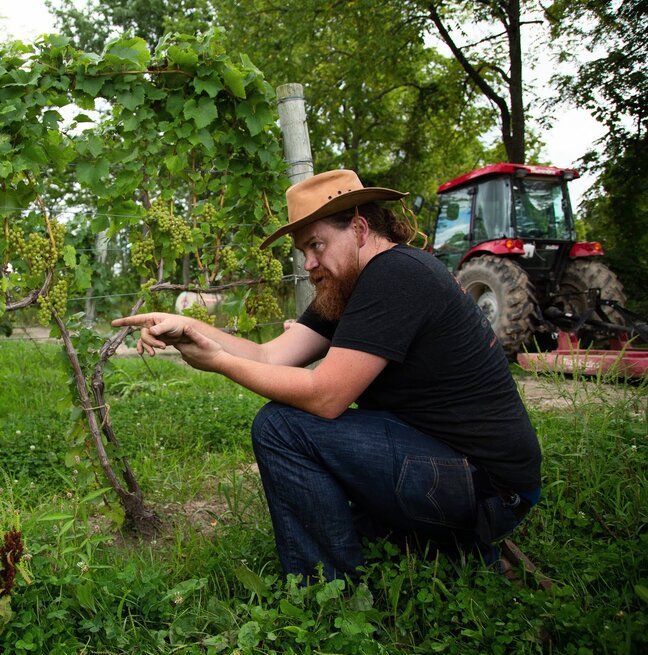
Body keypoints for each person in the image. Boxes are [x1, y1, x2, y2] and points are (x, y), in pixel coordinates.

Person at [113, 169, 541, 582]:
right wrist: (186, 325)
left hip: (488, 486)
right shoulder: (346, 287)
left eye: (317, 245)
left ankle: (324, 591)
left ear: (358, 228)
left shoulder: (397, 275)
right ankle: (456, 546)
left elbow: (325, 396)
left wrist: (219, 362)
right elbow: (270, 354)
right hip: (453, 467)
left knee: (282, 427)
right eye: (303, 252)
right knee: (345, 513)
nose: (310, 263)